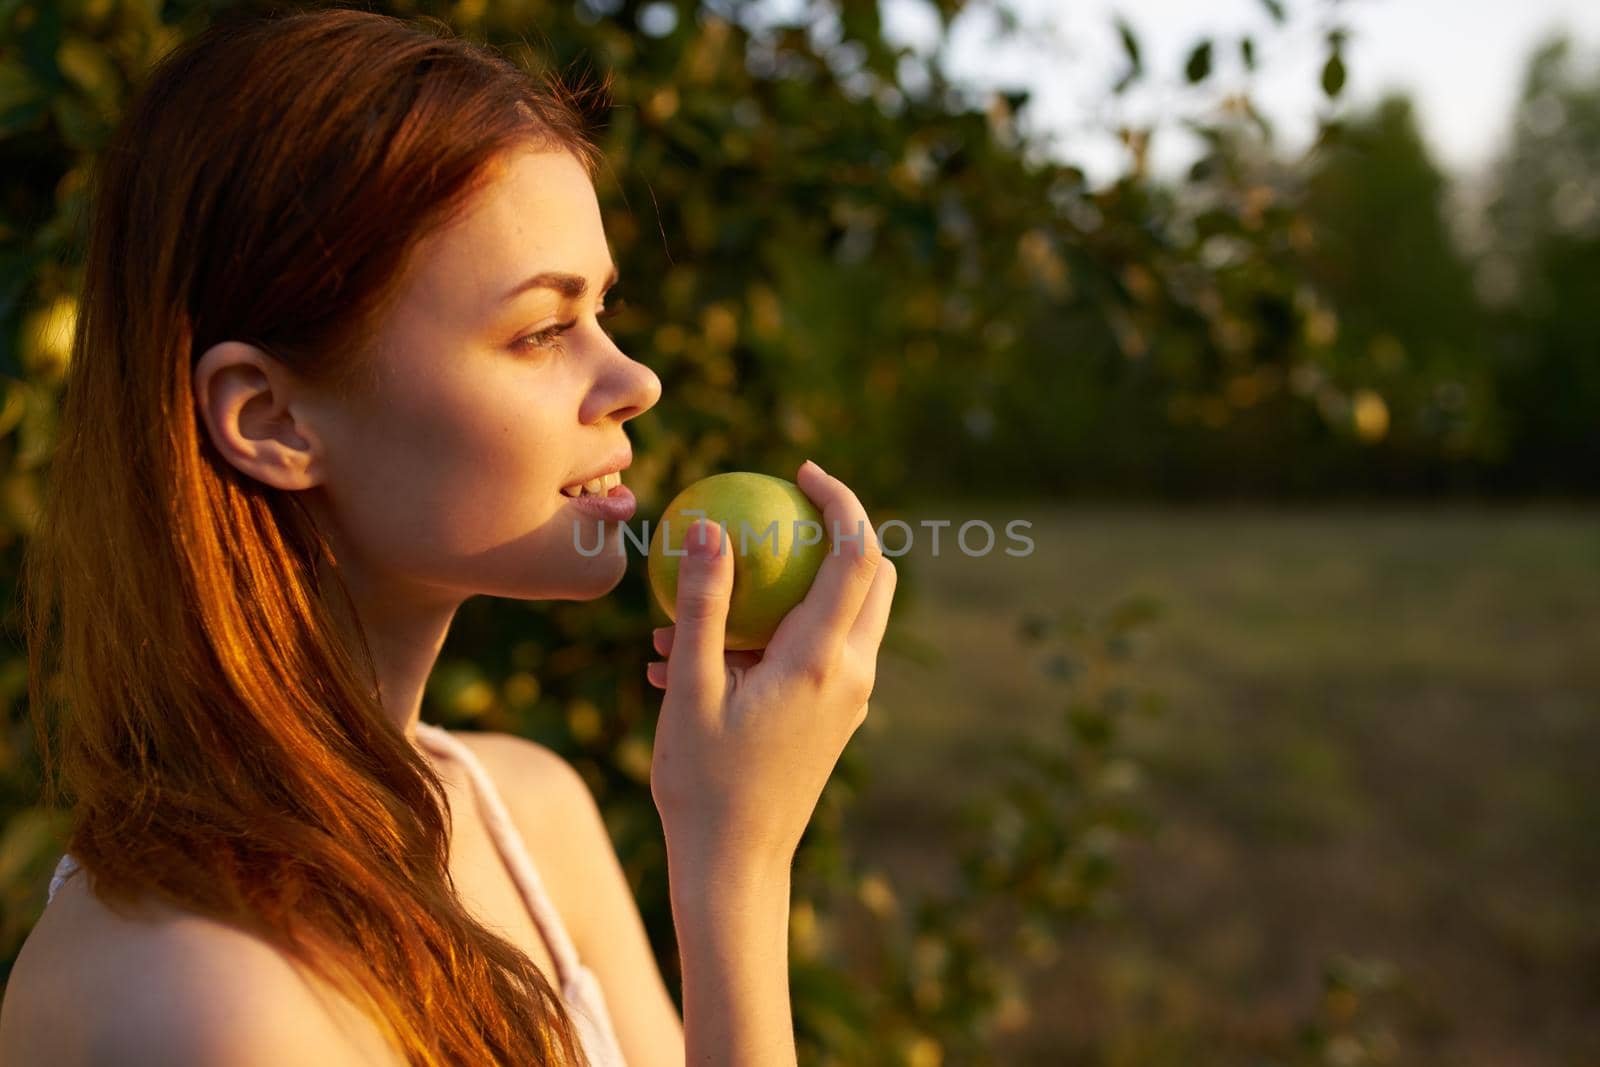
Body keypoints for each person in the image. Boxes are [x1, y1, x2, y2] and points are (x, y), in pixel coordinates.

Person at [0, 7, 895, 1066]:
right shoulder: (197, 999)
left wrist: (731, 851)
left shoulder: (527, 813)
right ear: (269, 419)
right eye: (541, 330)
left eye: (602, 311)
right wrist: (739, 871)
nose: (636, 381)